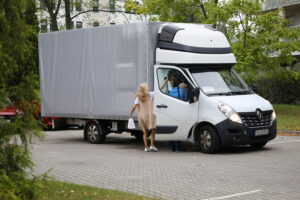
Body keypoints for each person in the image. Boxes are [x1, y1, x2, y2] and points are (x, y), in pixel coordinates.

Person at [129, 83, 158, 152]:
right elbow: (159, 91)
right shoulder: (150, 95)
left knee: (144, 132)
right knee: (153, 130)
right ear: (146, 89)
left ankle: (146, 147)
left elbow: (134, 106)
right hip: (149, 115)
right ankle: (152, 145)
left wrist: (130, 113)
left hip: (141, 116)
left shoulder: (138, 97)